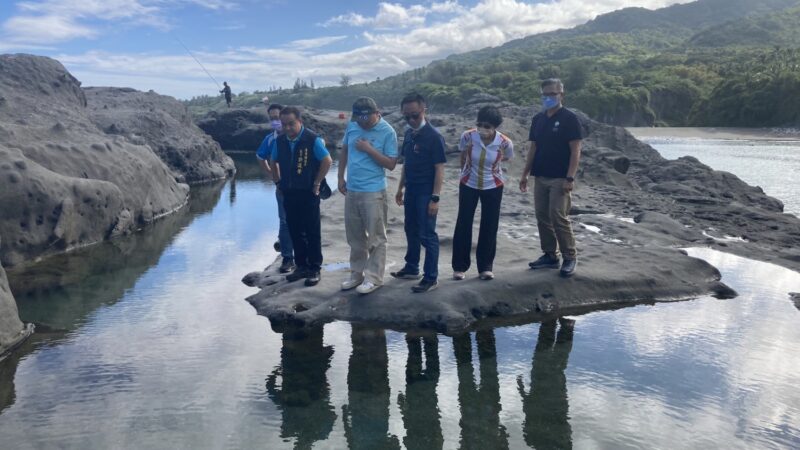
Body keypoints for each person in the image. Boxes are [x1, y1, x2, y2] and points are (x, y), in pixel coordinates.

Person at [520, 78, 583, 277]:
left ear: (561, 95)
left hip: (560, 177)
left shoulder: (569, 118)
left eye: (552, 94)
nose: (548, 98)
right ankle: (550, 255)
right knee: (542, 216)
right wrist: (525, 173)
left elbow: (576, 150)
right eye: (545, 94)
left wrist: (570, 178)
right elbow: (533, 147)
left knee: (558, 216)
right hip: (541, 175)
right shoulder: (538, 119)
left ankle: (570, 256)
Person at [338, 97, 398, 295]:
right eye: (358, 118)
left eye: (365, 118)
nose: (362, 123)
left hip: (373, 190)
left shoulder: (387, 131)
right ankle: (356, 274)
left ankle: (374, 278)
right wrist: (340, 177)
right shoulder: (352, 125)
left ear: (376, 113)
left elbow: (391, 164)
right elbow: (345, 150)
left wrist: (369, 149)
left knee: (376, 237)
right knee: (355, 236)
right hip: (352, 189)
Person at [271, 106, 333, 286]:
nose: (287, 128)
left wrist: (317, 182)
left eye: (291, 124)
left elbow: (327, 160)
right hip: (289, 192)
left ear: (300, 121)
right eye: (284, 124)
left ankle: (314, 268)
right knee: (295, 230)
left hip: (308, 192)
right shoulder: (280, 141)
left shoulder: (312, 139)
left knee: (312, 231)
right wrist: (277, 182)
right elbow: (273, 161)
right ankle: (301, 266)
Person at [391, 93, 446, 293]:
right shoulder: (408, 134)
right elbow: (406, 163)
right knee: (411, 229)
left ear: (424, 110)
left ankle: (431, 277)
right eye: (406, 116)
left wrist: (435, 198)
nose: (411, 120)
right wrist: (400, 188)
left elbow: (439, 169)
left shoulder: (434, 137)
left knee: (427, 234)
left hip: (426, 192)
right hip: (411, 190)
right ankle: (412, 267)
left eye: (415, 115)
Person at [452, 105, 514, 281]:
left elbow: (508, 156)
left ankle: (485, 267)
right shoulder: (468, 136)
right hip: (468, 183)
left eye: (487, 126)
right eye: (479, 124)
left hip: (493, 185)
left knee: (490, 224)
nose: (482, 129)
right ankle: (459, 267)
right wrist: (463, 172)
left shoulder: (504, 142)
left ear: (495, 127)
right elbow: (462, 153)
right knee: (463, 223)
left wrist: (496, 160)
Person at [256, 102, 295, 273]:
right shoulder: (270, 139)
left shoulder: (298, 135)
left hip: (303, 187)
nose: (275, 121)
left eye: (277, 117)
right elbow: (260, 156)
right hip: (282, 187)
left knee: (303, 220)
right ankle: (287, 258)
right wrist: (272, 175)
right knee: (285, 221)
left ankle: (304, 258)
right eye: (272, 118)